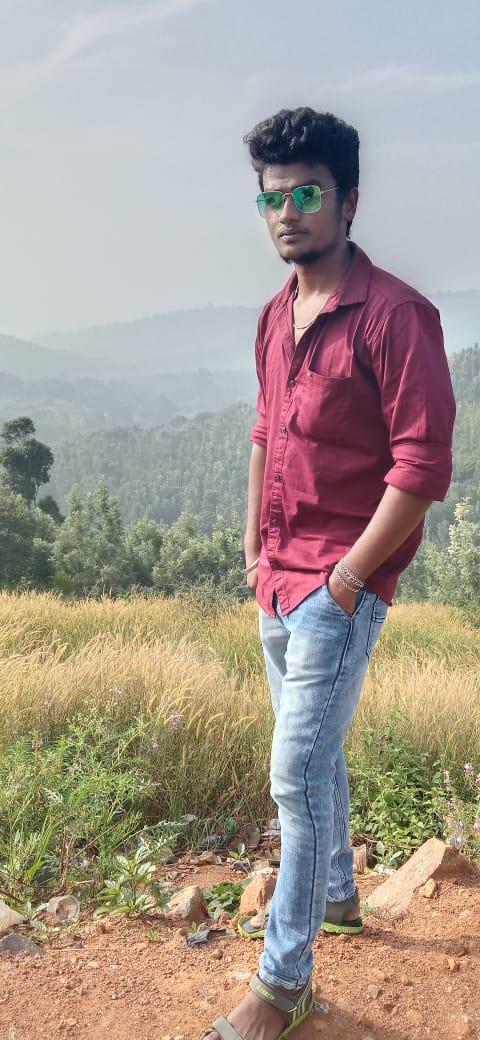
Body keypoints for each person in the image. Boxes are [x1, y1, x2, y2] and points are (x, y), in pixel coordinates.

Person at [202, 107, 456, 1040]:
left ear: (349, 199)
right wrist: (253, 548)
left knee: (297, 777)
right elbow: (265, 432)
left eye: (306, 194)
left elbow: (421, 470)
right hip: (278, 575)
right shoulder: (276, 316)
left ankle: (283, 984)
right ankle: (339, 894)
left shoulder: (395, 317)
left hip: (338, 589)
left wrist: (348, 577)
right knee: (314, 759)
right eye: (271, 199)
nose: (286, 213)